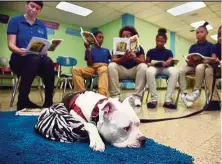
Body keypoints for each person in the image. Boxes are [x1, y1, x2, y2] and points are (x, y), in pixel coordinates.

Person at [7, 1, 55, 111]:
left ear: (40, 11)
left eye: (37, 8)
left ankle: (48, 102)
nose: (33, 10)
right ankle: (22, 101)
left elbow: (43, 48)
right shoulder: (15, 21)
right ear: (26, 5)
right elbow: (11, 45)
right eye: (32, 6)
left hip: (36, 60)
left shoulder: (42, 26)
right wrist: (19, 51)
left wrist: (44, 50)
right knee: (34, 59)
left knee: (48, 61)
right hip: (18, 59)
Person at [178, 22, 215, 107]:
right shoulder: (192, 47)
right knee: (181, 70)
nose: (199, 34)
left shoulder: (211, 46)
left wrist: (204, 60)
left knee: (199, 67)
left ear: (207, 33)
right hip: (193, 66)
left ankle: (196, 91)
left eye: (201, 32)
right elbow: (190, 58)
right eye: (197, 33)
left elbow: (213, 59)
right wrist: (188, 60)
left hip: (204, 66)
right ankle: (184, 94)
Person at [108, 25, 147, 105]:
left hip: (134, 72)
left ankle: (137, 97)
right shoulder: (117, 47)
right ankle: (115, 96)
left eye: (127, 36)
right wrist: (124, 58)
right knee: (111, 65)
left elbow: (143, 61)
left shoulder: (139, 48)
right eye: (123, 36)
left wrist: (135, 58)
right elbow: (113, 60)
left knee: (143, 66)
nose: (125, 37)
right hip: (122, 71)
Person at [146, 28, 178, 109]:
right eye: (158, 41)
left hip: (165, 69)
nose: (159, 43)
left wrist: (168, 62)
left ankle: (168, 100)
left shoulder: (168, 52)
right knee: (149, 71)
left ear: (165, 42)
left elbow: (171, 61)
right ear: (155, 40)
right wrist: (150, 63)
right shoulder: (150, 51)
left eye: (162, 41)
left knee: (174, 71)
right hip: (154, 68)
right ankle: (154, 100)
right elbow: (146, 63)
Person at [72, 31, 111, 96]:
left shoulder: (106, 50)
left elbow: (110, 60)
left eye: (102, 38)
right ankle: (81, 93)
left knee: (103, 69)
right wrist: (88, 50)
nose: (101, 39)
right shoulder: (90, 49)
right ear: (94, 38)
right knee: (75, 70)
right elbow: (89, 64)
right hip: (92, 67)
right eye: (99, 37)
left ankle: (102, 95)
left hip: (103, 66)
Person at [203, 25, 221, 110]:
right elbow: (213, 57)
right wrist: (213, 60)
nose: (220, 37)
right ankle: (214, 100)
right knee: (208, 70)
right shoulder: (214, 47)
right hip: (218, 68)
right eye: (219, 34)